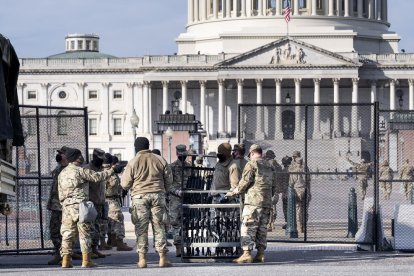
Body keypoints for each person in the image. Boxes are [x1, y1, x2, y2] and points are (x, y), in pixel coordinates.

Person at [121, 137, 173, 268]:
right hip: (158, 195)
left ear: (136, 147)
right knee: (159, 226)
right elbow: (169, 179)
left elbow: (125, 184)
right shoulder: (159, 159)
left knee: (141, 228)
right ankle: (162, 258)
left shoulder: (133, 162)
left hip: (139, 197)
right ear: (148, 146)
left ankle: (142, 259)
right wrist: (162, 190)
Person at [58, 148, 115, 268]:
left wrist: (66, 203)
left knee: (67, 234)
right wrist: (112, 170)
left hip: (67, 207)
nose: (81, 158)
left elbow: (60, 193)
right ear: (76, 158)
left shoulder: (62, 173)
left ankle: (66, 260)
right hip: (81, 206)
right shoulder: (80, 171)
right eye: (79, 156)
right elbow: (97, 177)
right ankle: (86, 260)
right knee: (85, 233)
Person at [226, 144, 276, 264]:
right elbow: (273, 186)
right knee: (262, 229)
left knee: (247, 227)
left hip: (253, 203)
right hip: (266, 202)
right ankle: (260, 254)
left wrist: (234, 192)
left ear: (252, 153)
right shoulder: (270, 166)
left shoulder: (251, 164)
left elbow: (245, 182)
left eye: (250, 155)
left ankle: (246, 254)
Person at [47, 146, 77, 265]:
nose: (59, 156)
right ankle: (59, 253)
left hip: (65, 205)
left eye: (62, 154)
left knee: (65, 231)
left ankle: (65, 255)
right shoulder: (58, 168)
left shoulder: (71, 169)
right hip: (55, 205)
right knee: (54, 230)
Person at [104, 154, 133, 251]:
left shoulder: (109, 172)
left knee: (111, 221)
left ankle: (112, 241)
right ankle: (119, 242)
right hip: (110, 199)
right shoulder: (107, 172)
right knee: (118, 219)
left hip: (111, 199)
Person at [85, 148, 110, 257]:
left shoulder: (101, 169)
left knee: (98, 228)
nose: (102, 161)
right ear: (94, 157)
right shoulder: (87, 169)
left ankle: (95, 248)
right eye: (100, 159)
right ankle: (89, 251)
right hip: (90, 203)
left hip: (100, 202)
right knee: (90, 228)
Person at [169, 144, 191, 257]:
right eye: (181, 153)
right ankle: (178, 246)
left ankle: (186, 245)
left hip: (188, 198)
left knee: (186, 223)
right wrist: (176, 191)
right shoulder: (171, 167)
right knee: (176, 223)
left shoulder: (189, 167)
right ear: (177, 153)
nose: (183, 155)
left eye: (184, 153)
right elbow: (168, 184)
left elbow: (194, 180)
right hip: (175, 199)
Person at [288, 157, 311, 233]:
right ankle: (304, 225)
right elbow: (308, 182)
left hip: (297, 190)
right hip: (305, 189)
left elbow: (291, 183)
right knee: (305, 209)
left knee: (298, 209)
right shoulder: (306, 171)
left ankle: (299, 225)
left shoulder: (294, 171)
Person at [264, 150, 283, 232]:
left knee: (269, 207)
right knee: (273, 207)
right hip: (276, 188)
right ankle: (272, 223)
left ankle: (270, 224)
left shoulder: (267, 164)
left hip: (269, 187)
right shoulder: (278, 166)